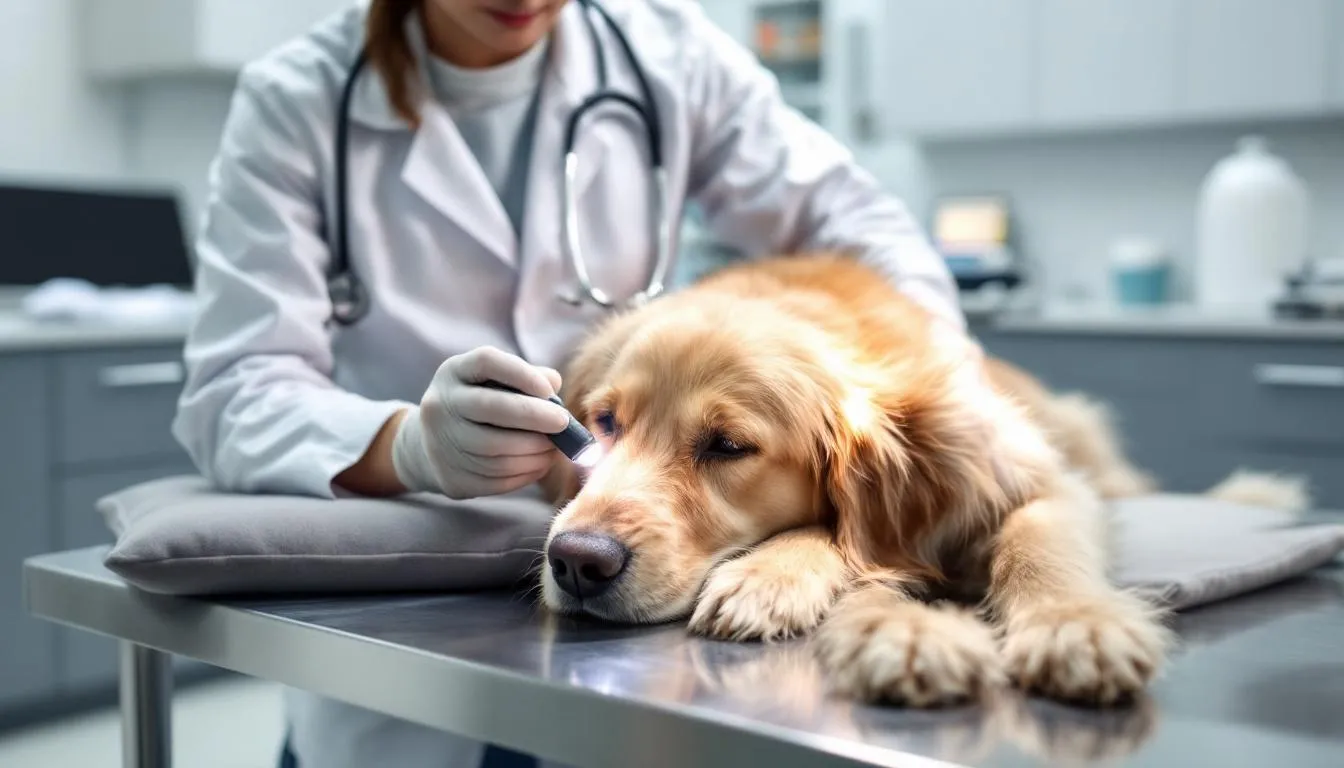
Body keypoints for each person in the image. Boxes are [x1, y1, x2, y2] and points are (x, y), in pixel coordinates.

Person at [172, 0, 967, 765]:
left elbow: (862, 232)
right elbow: (233, 390)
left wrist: (940, 406)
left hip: (638, 623)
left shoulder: (664, 51)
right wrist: (409, 446)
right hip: (403, 631)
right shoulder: (297, 101)